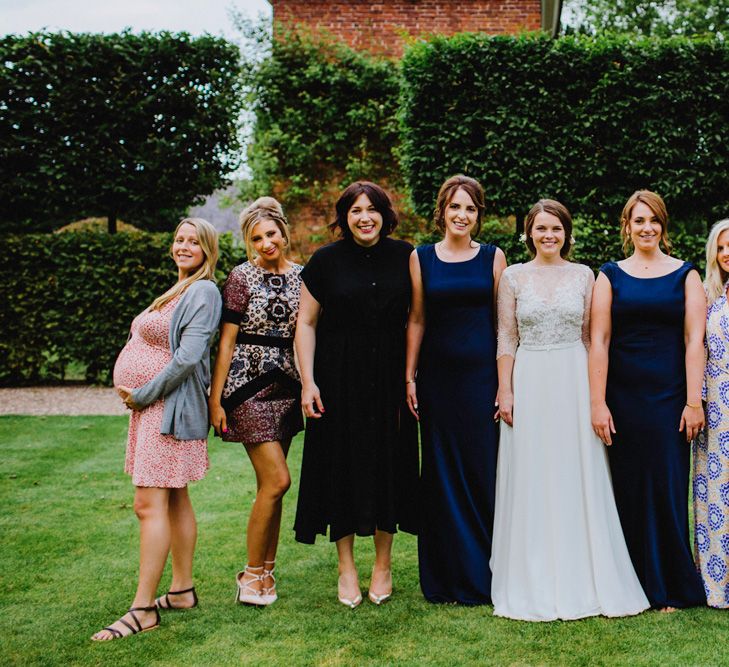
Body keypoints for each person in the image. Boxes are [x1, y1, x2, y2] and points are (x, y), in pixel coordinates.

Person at [490, 199, 648, 621]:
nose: (548, 236)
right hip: (530, 378)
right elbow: (506, 338)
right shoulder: (512, 277)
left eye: (556, 229)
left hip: (573, 379)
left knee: (574, 470)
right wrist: (505, 390)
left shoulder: (584, 276)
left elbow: (589, 338)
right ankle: (532, 573)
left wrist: (595, 397)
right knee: (532, 472)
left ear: (566, 233)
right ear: (528, 232)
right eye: (541, 228)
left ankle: (585, 571)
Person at [92, 218, 222, 640]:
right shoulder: (178, 288)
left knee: (148, 505)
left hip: (167, 411)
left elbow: (188, 358)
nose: (184, 246)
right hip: (154, 410)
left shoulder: (204, 290)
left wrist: (143, 393)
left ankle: (143, 608)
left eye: (193, 241)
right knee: (174, 498)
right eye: (179, 239)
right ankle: (181, 590)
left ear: (208, 248)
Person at [293, 181, 419, 608]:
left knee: (390, 462)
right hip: (337, 377)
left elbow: (419, 317)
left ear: (385, 214)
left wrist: (412, 376)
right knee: (340, 466)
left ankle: (383, 565)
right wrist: (308, 381)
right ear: (344, 217)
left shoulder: (407, 256)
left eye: (372, 209)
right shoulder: (325, 261)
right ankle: (346, 568)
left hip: (389, 376)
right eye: (355, 210)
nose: (364, 217)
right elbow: (306, 324)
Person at [590, 190, 706, 611]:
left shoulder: (686, 275)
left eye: (653, 220)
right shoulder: (609, 275)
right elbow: (598, 341)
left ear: (663, 225)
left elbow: (695, 340)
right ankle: (630, 582)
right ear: (627, 226)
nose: (647, 228)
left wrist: (694, 401)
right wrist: (597, 402)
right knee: (628, 486)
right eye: (638, 220)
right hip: (623, 397)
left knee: (667, 484)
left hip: (670, 395)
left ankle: (671, 584)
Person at [405, 174, 506, 604]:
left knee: (483, 472)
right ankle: (445, 578)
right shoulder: (421, 258)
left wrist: (506, 384)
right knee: (441, 476)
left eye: (470, 208)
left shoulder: (494, 258)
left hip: (482, 380)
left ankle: (485, 575)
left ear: (478, 216)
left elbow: (506, 327)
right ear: (442, 211)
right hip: (437, 381)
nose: (462, 215)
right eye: (455, 207)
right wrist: (409, 376)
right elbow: (417, 319)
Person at [208, 197, 303, 606]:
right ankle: (250, 573)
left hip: (288, 387)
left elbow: (308, 332)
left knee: (272, 487)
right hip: (247, 387)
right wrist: (217, 400)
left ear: (284, 234)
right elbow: (226, 342)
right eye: (257, 238)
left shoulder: (303, 276)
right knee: (279, 480)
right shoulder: (240, 277)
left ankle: (266, 571)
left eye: (271, 234)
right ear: (249, 242)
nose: (266, 243)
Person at [694, 218, 729, 608]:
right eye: (721, 247)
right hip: (716, 408)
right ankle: (715, 585)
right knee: (716, 494)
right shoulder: (707, 294)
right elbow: (695, 350)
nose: (726, 253)